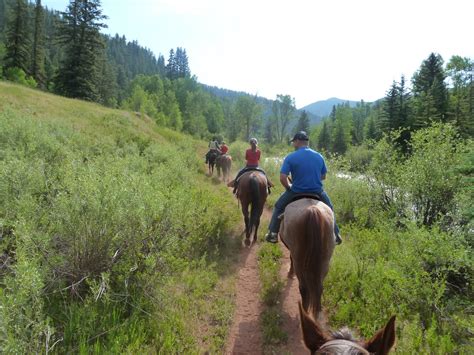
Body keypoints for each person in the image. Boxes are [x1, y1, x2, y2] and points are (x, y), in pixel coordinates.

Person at [264, 131, 342, 245]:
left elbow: (282, 177)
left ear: (297, 141)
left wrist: (289, 187)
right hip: (317, 191)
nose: (293, 144)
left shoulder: (291, 157)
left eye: (293, 142)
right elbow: (323, 176)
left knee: (278, 206)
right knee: (330, 208)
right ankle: (336, 234)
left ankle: (273, 233)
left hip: (296, 191)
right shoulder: (319, 156)